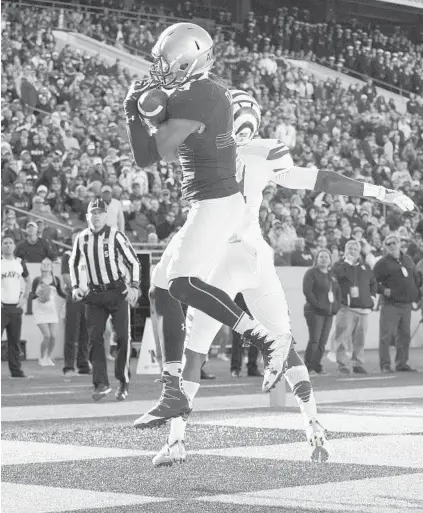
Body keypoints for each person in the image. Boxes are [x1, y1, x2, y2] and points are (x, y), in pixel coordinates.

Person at [148, 90, 415, 466]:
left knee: (194, 350)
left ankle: (177, 439)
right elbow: (321, 179)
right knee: (283, 342)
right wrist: (378, 191)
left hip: (218, 258)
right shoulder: (266, 151)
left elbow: (163, 141)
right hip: (256, 256)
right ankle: (315, 428)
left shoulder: (201, 149)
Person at [125, 24, 297, 429]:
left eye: (169, 64)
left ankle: (266, 339)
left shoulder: (198, 93)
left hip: (219, 202)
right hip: (210, 200)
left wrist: (136, 114)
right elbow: (158, 141)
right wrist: (149, 111)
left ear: (191, 62)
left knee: (181, 284)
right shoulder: (201, 87)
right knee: (160, 289)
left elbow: (152, 155)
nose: (161, 71)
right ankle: (173, 391)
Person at [69, 199, 140, 401]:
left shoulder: (115, 235)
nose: (97, 216)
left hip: (117, 291)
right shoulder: (81, 238)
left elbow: (133, 261)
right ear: (87, 216)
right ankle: (100, 383)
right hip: (94, 294)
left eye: (101, 212)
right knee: (95, 339)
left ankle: (123, 381)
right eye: (94, 212)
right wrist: (75, 286)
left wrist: (134, 285)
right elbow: (73, 263)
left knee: (122, 337)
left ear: (106, 215)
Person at [373, 234, 421, 373]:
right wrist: (382, 290)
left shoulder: (408, 259)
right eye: (388, 244)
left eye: (394, 242)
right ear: (385, 247)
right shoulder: (382, 263)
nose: (392, 245)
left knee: (404, 336)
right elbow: (371, 281)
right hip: (390, 304)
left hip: (406, 304)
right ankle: (385, 364)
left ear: (400, 243)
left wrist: (416, 295)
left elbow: (414, 279)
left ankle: (402, 363)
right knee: (386, 336)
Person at [332, 240, 377, 375]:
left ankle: (357, 363)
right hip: (346, 308)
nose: (351, 251)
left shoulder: (365, 267)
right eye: (349, 248)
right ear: (345, 251)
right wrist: (347, 263)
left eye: (354, 249)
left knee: (360, 339)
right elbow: (336, 277)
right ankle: (343, 364)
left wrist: (372, 297)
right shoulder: (339, 265)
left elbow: (373, 282)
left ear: (359, 252)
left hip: (363, 309)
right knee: (342, 337)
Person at [303, 249, 341, 375]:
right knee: (314, 340)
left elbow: (337, 293)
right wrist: (318, 305)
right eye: (321, 257)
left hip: (328, 313)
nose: (324, 259)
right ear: (316, 259)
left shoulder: (332, 275)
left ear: (330, 260)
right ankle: (308, 366)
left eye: (326, 257)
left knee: (322, 342)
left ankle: (317, 365)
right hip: (314, 312)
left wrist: (336, 307)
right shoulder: (311, 273)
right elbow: (308, 291)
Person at [1, 235, 32, 378]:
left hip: (15, 308)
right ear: (1, 246)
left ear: (14, 246)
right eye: (5, 243)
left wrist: (24, 297)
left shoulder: (20, 262)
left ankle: (16, 371)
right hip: (1, 308)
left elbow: (28, 280)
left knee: (14, 342)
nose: (8, 245)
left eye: (10, 243)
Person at [62, 229, 90, 376]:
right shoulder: (68, 255)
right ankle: (68, 366)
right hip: (74, 298)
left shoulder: (89, 256)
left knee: (85, 334)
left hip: (88, 298)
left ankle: (83, 364)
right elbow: (66, 276)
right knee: (71, 333)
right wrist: (77, 290)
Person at [31, 257, 67, 366]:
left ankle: (48, 357)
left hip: (51, 310)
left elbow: (61, 293)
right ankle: (42, 358)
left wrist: (70, 297)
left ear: (52, 267)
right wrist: (37, 293)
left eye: (48, 264)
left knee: (53, 336)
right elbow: (31, 296)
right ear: (41, 266)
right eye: (44, 264)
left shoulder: (55, 279)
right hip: (40, 310)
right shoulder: (37, 280)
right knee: (46, 335)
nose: (45, 266)